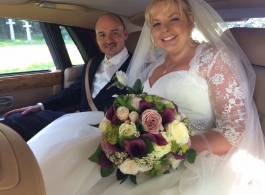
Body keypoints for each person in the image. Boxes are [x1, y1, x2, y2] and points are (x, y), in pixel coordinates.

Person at [28, 0, 265, 194]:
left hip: (197, 158)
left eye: (174, 19)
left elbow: (234, 131)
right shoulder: (154, 66)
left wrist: (175, 148)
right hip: (146, 151)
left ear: (190, 20)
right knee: (66, 157)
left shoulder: (216, 59)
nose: (165, 30)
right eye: (157, 24)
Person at [3, 13, 132, 141]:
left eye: (114, 33)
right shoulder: (93, 62)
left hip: (103, 130)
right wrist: (40, 106)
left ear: (125, 34)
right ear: (97, 38)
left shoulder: (137, 67)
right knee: (15, 120)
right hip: (75, 118)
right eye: (102, 35)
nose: (108, 40)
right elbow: (74, 92)